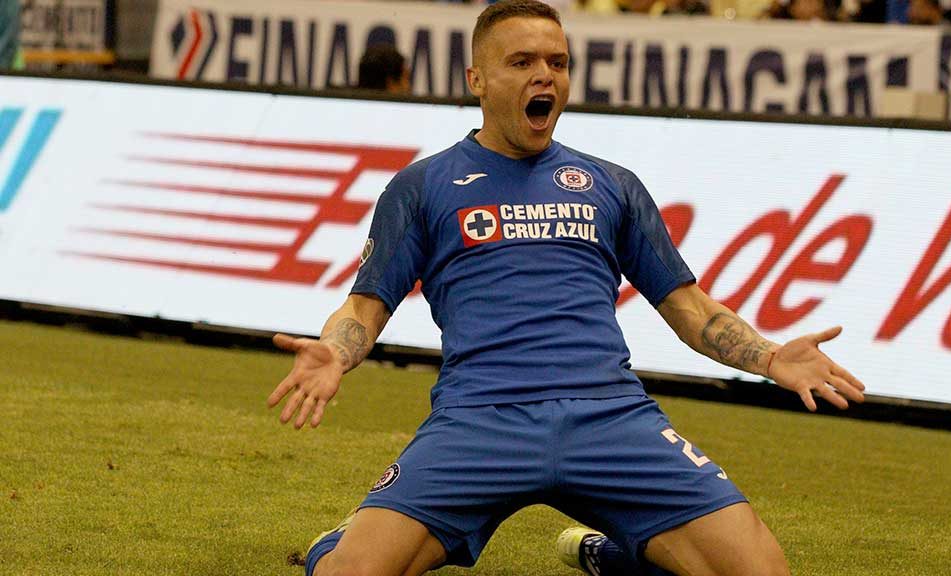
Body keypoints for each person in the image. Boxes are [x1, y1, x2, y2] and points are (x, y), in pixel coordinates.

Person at [267, 1, 865, 575]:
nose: (544, 75)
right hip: (479, 421)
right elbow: (365, 307)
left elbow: (691, 309)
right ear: (477, 80)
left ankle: (610, 555)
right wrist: (337, 352)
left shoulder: (612, 185)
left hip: (610, 416)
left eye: (557, 62)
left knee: (761, 569)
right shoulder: (423, 186)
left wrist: (769, 357)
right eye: (522, 62)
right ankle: (337, 544)